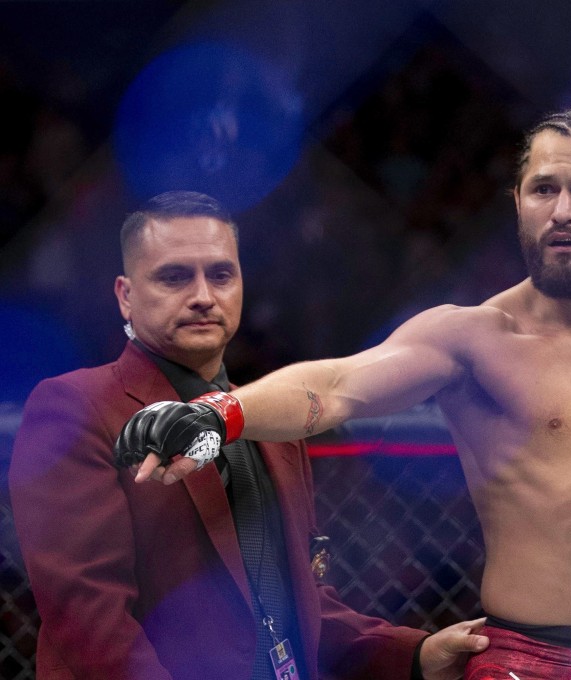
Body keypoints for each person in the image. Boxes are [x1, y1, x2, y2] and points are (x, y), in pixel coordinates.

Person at [114, 110, 571, 680]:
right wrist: (219, 412)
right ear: (518, 204)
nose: (562, 210)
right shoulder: (471, 338)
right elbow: (334, 387)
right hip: (522, 663)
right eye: (543, 189)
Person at [8, 191, 488, 680]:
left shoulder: (272, 418)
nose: (202, 295)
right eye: (174, 276)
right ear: (125, 295)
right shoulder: (77, 407)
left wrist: (415, 654)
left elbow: (301, 607)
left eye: (220, 274)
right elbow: (91, 622)